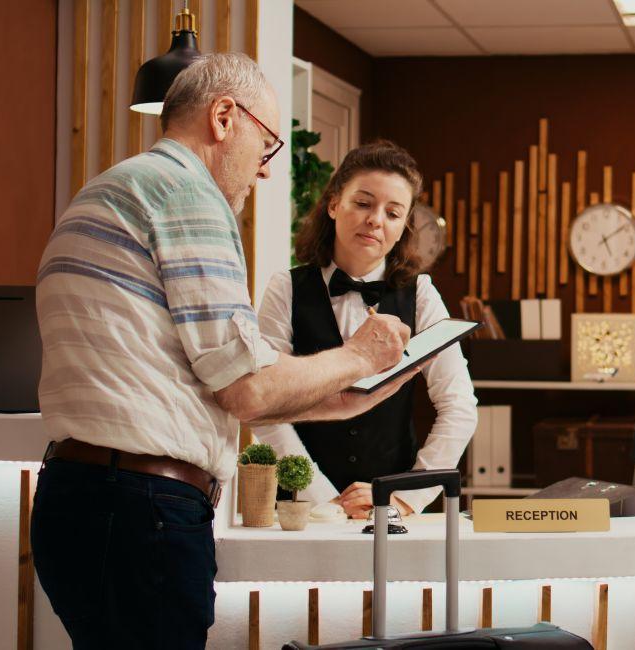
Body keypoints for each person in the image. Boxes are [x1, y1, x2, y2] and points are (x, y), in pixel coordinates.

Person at [31, 53, 414, 649]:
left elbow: (205, 383)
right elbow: (245, 388)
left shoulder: (112, 187)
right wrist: (360, 356)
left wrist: (333, 400)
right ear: (224, 117)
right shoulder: (188, 194)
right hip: (141, 507)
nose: (264, 173)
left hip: (82, 497)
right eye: (266, 148)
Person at [254, 141, 477, 518]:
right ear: (334, 204)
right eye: (363, 203)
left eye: (393, 213)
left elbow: (459, 406)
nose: (376, 219)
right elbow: (264, 403)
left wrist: (406, 496)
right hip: (301, 512)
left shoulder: (420, 294)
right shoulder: (285, 287)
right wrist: (323, 497)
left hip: (393, 512)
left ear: (403, 226)